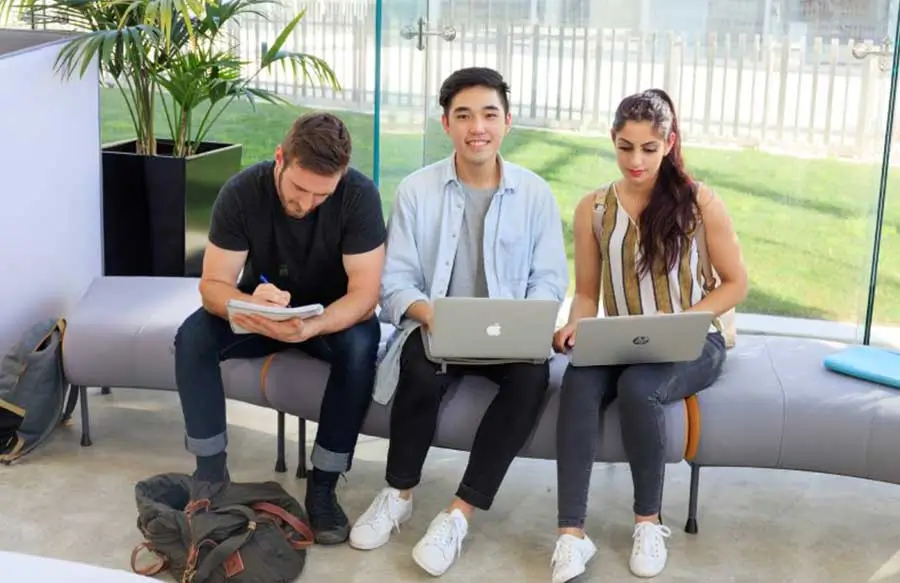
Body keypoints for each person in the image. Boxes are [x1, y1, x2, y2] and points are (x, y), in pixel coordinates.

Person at [348, 67, 568, 576]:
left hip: (508, 338)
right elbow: (395, 282)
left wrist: (523, 319)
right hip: (435, 327)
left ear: (507, 122)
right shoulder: (416, 191)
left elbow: (549, 281)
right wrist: (434, 317)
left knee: (532, 378)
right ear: (445, 123)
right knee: (419, 371)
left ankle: (459, 512)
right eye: (464, 116)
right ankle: (399, 493)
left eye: (489, 115)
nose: (478, 128)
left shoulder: (534, 194)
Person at [548, 88, 748, 582]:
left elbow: (736, 283)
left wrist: (690, 320)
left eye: (648, 148)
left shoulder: (700, 203)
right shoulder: (593, 208)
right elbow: (587, 293)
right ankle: (571, 534)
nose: (635, 160)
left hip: (695, 337)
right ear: (612, 141)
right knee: (576, 382)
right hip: (621, 337)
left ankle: (648, 522)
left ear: (669, 143)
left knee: (641, 389)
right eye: (624, 146)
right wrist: (576, 323)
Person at [173, 111, 386, 545]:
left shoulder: (359, 196)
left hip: (329, 317)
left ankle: (324, 484)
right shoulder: (242, 192)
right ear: (279, 159)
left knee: (362, 345)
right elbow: (212, 286)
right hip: (260, 311)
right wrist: (251, 305)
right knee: (193, 336)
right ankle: (210, 474)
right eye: (299, 189)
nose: (307, 204)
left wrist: (315, 325)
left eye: (321, 195)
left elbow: (365, 296)